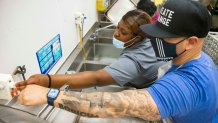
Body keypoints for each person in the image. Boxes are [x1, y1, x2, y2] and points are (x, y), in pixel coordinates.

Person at [18, 0, 218, 122]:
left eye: (164, 37)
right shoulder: (200, 59)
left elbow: (116, 104)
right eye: (155, 33)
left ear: (191, 42)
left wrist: (50, 94)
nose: (155, 41)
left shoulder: (184, 84)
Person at [16, 10, 163, 91]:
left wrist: (47, 80)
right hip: (148, 80)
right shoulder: (151, 37)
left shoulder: (134, 62)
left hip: (139, 89)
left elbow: (96, 78)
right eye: (118, 26)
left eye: (123, 32)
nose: (116, 33)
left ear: (138, 38)